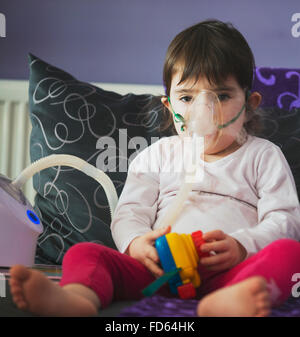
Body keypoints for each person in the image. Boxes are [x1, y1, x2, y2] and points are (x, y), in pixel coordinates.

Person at [9, 19, 300, 317]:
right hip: (159, 270)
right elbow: (129, 212)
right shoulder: (157, 156)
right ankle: (76, 298)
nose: (204, 110)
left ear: (249, 104)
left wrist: (242, 245)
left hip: (232, 273)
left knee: (290, 254)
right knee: (85, 252)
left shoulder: (263, 156)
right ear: (168, 106)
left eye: (221, 96)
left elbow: (285, 219)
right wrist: (137, 243)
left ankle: (228, 303)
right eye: (187, 98)